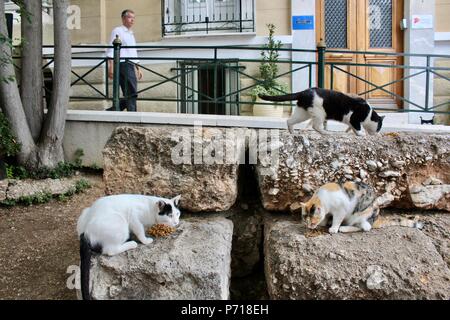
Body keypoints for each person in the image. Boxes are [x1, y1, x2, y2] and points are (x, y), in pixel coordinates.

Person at [106, 9, 143, 112]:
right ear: (123, 18)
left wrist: (138, 68)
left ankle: (113, 110)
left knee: (131, 92)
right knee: (131, 92)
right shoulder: (118, 31)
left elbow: (133, 52)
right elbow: (111, 49)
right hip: (122, 65)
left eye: (133, 18)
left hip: (130, 65)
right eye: (130, 17)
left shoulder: (131, 33)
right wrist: (111, 67)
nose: (132, 20)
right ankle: (132, 114)